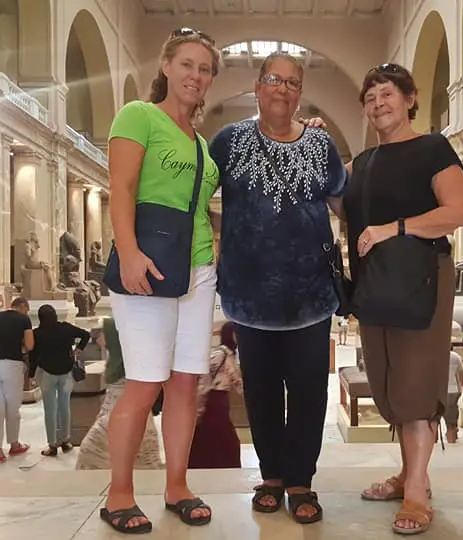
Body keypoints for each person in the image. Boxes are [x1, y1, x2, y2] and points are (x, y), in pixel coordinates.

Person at [207, 51, 347, 525]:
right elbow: (195, 191)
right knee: (263, 391)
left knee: (309, 392)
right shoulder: (229, 141)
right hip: (249, 296)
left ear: (299, 92)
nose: (282, 88)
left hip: (310, 296)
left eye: (291, 81)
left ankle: (302, 481)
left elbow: (343, 201)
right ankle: (270, 476)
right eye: (274, 79)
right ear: (258, 86)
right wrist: (217, 238)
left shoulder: (320, 146)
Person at [102, 27, 221, 534]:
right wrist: (127, 252)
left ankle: (177, 485)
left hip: (197, 269)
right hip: (148, 265)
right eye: (188, 65)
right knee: (145, 382)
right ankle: (119, 493)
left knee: (185, 383)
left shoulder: (200, 143)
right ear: (167, 67)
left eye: (205, 69)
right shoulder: (138, 115)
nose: (196, 75)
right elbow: (121, 186)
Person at [344, 64, 463, 535]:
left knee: (417, 383)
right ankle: (408, 474)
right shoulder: (363, 163)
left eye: (388, 94)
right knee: (389, 380)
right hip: (375, 281)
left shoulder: (432, 148)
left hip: (421, 277)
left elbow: (455, 211)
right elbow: (338, 200)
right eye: (370, 97)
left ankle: (416, 492)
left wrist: (394, 229)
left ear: (410, 98)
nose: (378, 103)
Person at [75, 317, 162, 470]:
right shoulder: (125, 366)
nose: (100, 339)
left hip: (121, 425)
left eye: (105, 334)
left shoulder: (127, 378)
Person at [29, 304, 91, 457]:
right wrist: (79, 349)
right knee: (65, 407)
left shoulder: (38, 333)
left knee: (50, 410)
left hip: (47, 374)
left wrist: (31, 375)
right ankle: (66, 440)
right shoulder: (66, 328)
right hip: (66, 373)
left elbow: (33, 356)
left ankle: (52, 445)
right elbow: (85, 335)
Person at [0, 297, 34, 464]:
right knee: (12, 408)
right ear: (23, 307)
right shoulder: (23, 320)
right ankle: (14, 444)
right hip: (12, 366)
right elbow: (30, 345)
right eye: (27, 309)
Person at [189, 321, 243, 469]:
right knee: (220, 435)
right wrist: (199, 407)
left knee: (217, 435)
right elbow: (204, 379)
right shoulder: (221, 354)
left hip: (220, 398)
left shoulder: (229, 354)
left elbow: (237, 381)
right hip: (213, 399)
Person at [444, 344, 463, 444]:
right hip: (452, 391)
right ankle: (452, 442)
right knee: (451, 424)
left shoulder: (432, 355)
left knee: (432, 424)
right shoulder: (455, 357)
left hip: (435, 392)